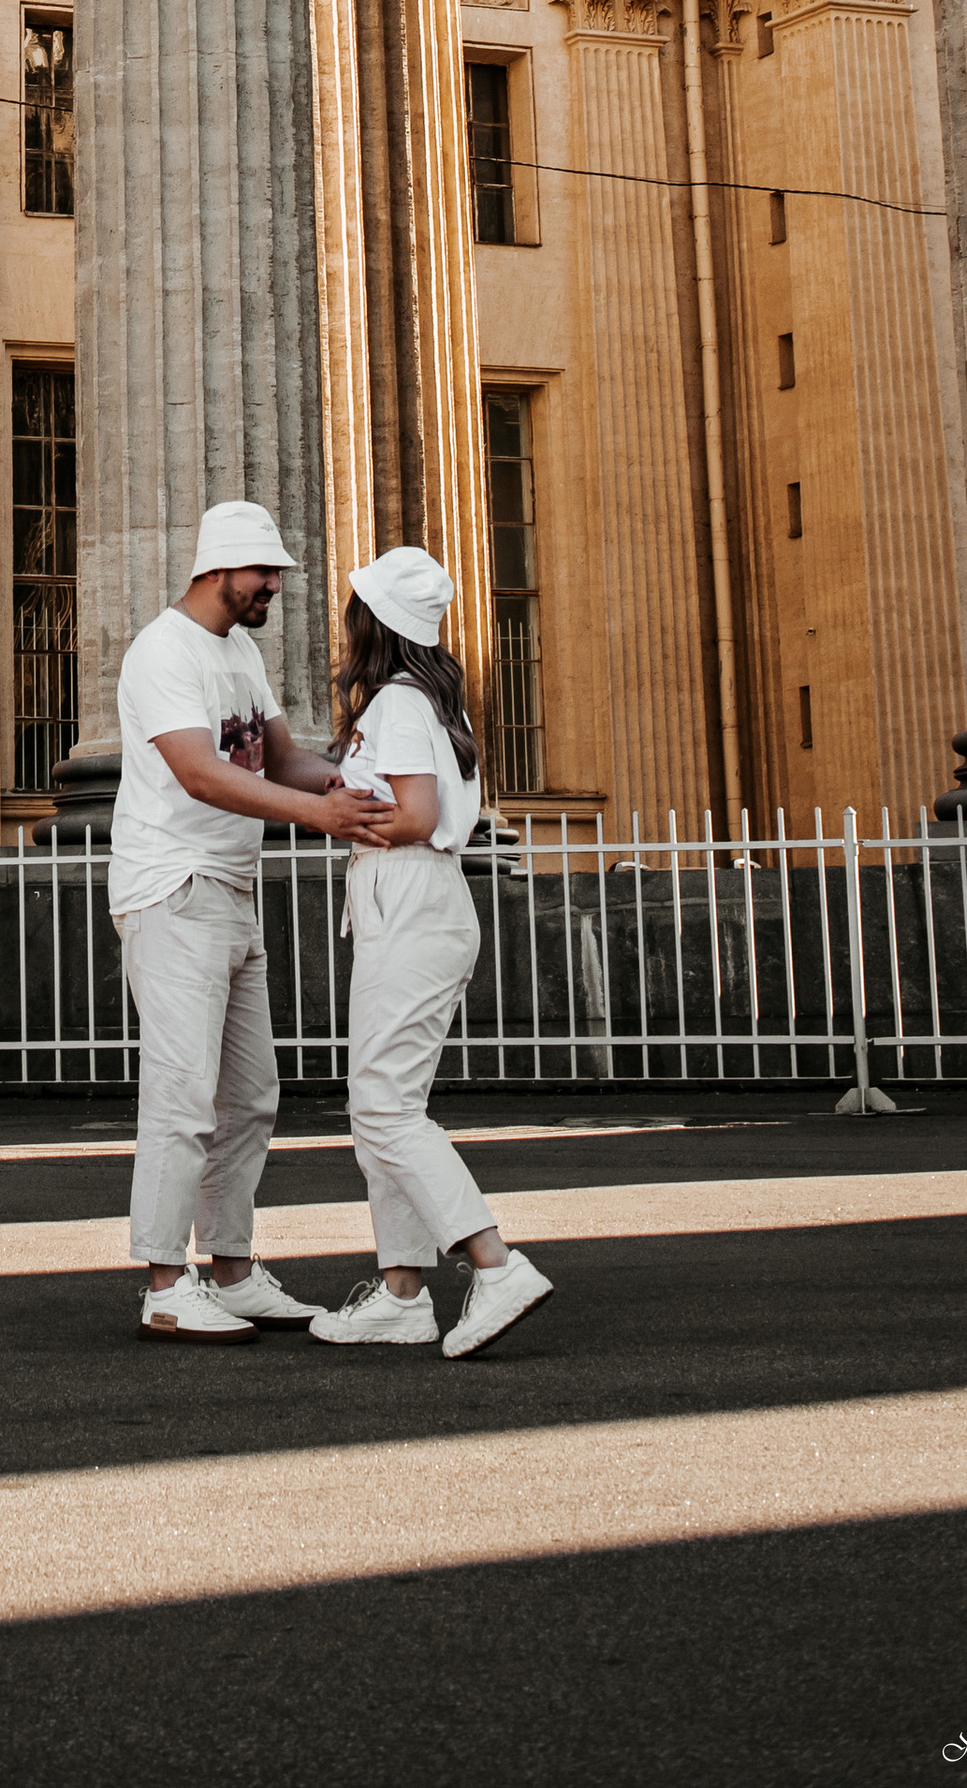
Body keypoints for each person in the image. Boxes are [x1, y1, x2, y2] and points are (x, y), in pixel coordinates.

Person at [111, 498, 391, 1341]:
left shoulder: (236, 651)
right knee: (182, 1097)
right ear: (218, 570)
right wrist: (318, 818)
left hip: (231, 887)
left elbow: (284, 759)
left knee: (250, 1098)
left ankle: (229, 1271)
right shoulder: (162, 652)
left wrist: (351, 782)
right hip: (172, 888)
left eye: (277, 574)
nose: (276, 587)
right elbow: (199, 774)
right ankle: (166, 1284)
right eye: (265, 573)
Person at [309, 544, 554, 1358]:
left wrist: (336, 813)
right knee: (382, 1105)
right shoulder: (431, 703)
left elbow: (412, 816)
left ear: (373, 622)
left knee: (382, 1106)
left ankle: (495, 1264)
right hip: (419, 903)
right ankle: (402, 1295)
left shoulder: (396, 705)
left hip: (409, 895)